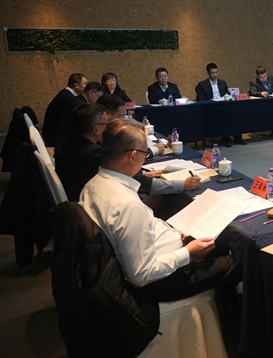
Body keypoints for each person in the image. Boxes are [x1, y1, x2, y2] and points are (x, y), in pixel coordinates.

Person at [79, 119, 239, 302]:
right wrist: (188, 253)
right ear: (133, 156)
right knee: (237, 264)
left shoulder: (92, 184)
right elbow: (141, 275)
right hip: (160, 281)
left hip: (155, 252)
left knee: (216, 243)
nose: (146, 156)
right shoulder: (128, 206)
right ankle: (233, 308)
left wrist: (170, 231)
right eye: (145, 152)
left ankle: (225, 302)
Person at [56, 103, 200, 202]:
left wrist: (145, 173)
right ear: (95, 129)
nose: (109, 127)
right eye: (106, 123)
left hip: (81, 199)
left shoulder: (66, 144)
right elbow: (138, 182)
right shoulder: (92, 153)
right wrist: (183, 185)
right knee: (165, 197)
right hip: (98, 201)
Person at [195, 63, 245, 145]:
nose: (215, 75)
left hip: (222, 105)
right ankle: (226, 139)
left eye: (216, 72)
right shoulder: (202, 85)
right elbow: (200, 99)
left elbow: (227, 94)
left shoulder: (222, 83)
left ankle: (238, 138)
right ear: (208, 73)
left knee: (235, 113)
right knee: (222, 117)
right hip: (211, 109)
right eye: (212, 73)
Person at [43, 73, 88, 146]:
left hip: (53, 134)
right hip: (54, 137)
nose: (87, 87)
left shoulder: (66, 94)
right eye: (85, 84)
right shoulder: (68, 98)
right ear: (76, 85)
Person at [55, 82, 106, 147]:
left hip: (65, 142)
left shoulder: (78, 99)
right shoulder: (82, 105)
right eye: (98, 97)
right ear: (90, 93)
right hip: (69, 144)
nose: (99, 101)